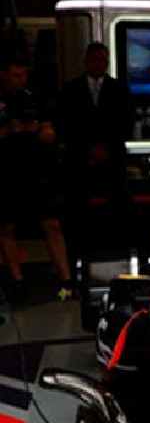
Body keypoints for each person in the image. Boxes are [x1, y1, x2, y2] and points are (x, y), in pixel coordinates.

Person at [58, 42, 136, 270]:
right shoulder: (70, 89)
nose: (99, 64)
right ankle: (78, 254)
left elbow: (126, 122)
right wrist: (88, 148)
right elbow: (66, 123)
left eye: (103, 60)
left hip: (112, 156)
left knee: (121, 203)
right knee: (75, 207)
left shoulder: (119, 89)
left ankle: (120, 249)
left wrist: (105, 148)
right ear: (86, 61)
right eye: (95, 60)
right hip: (79, 156)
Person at [0, 56, 71, 301]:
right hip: (6, 170)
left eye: (24, 75)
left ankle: (66, 279)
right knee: (7, 227)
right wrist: (10, 130)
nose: (21, 80)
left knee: (51, 224)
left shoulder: (36, 98)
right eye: (16, 75)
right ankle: (17, 279)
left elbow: (51, 132)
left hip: (37, 170)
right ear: (4, 74)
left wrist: (42, 131)